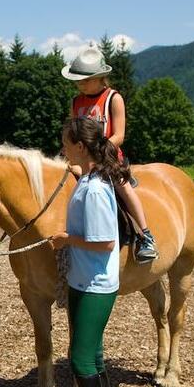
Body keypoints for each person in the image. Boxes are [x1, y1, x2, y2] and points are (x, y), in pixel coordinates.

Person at [51, 117, 122, 387]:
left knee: (80, 359)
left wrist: (67, 240)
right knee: (93, 357)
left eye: (66, 143)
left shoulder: (95, 190)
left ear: (80, 146)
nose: (63, 148)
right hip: (83, 280)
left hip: (95, 285)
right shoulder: (88, 179)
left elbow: (105, 242)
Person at [62, 46, 159, 264]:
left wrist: (96, 154)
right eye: (78, 80)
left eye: (85, 80)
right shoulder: (76, 102)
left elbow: (119, 135)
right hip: (80, 159)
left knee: (123, 188)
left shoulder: (113, 98)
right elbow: (72, 133)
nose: (80, 84)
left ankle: (145, 236)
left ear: (100, 78)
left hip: (108, 157)